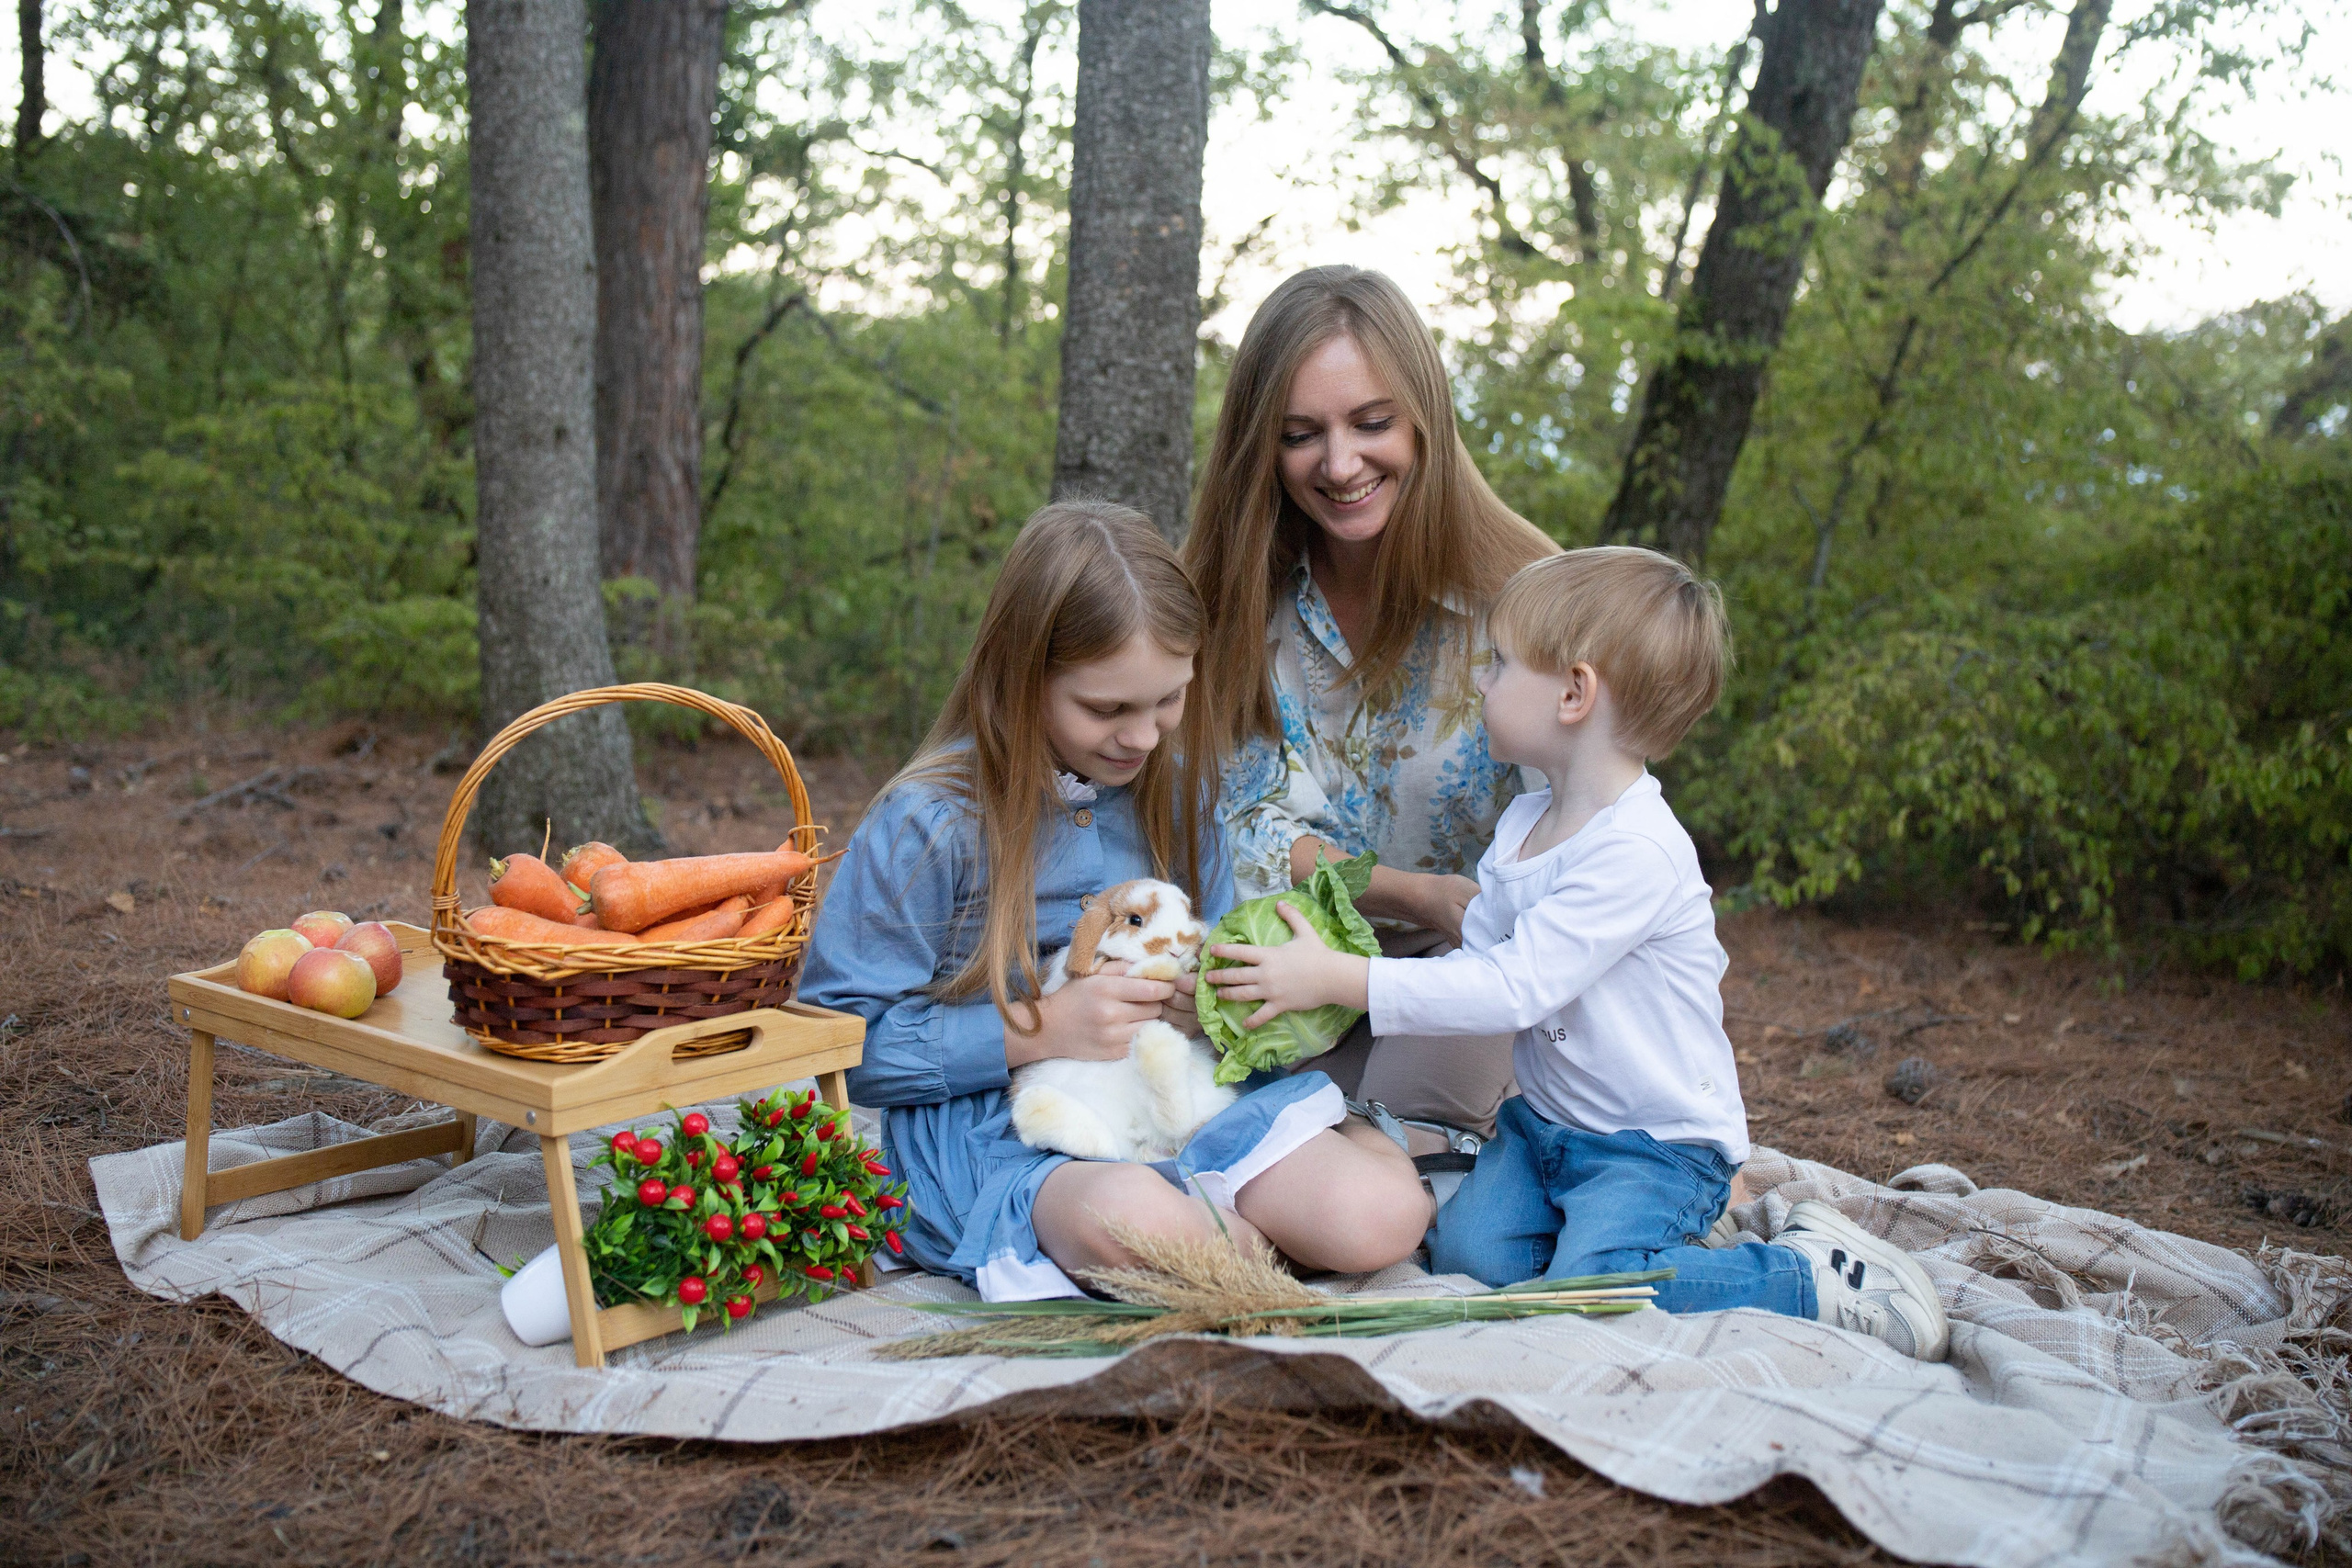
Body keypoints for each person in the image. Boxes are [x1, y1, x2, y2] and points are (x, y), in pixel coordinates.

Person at [1201, 547, 1951, 1359]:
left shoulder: (1636, 853)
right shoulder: (1526, 826)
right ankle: (1640, 1243)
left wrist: (1345, 976)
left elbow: (1511, 989)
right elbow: (1472, 965)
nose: (1480, 682)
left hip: (1653, 1144)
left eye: (1499, 663)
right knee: (1469, 1259)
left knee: (1594, 1290)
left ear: (1573, 692)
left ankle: (1804, 1274)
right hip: (1547, 1128)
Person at [799, 501, 1430, 1301]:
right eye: (1106, 709)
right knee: (1143, 1227)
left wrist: (1205, 1005)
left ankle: (1312, 1186)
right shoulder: (930, 821)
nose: (1142, 736)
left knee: (1378, 1219)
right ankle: (1234, 1234)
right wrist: (1038, 1028)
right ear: (1021, 675)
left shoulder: (1178, 791)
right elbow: (840, 1045)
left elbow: (1213, 952)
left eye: (1168, 700)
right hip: (1016, 1134)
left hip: (1177, 1098)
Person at [1183, 265, 1557, 1143]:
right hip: (1285, 966)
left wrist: (1456, 921)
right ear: (1261, 447)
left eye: (1373, 423)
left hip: (1474, 975)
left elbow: (1597, 821)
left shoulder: (1529, 601)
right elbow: (1239, 824)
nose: (1341, 464)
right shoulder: (1233, 602)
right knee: (1213, 1135)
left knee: (1385, 1148)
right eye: (1301, 434)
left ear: (1425, 415)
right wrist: (1414, 893)